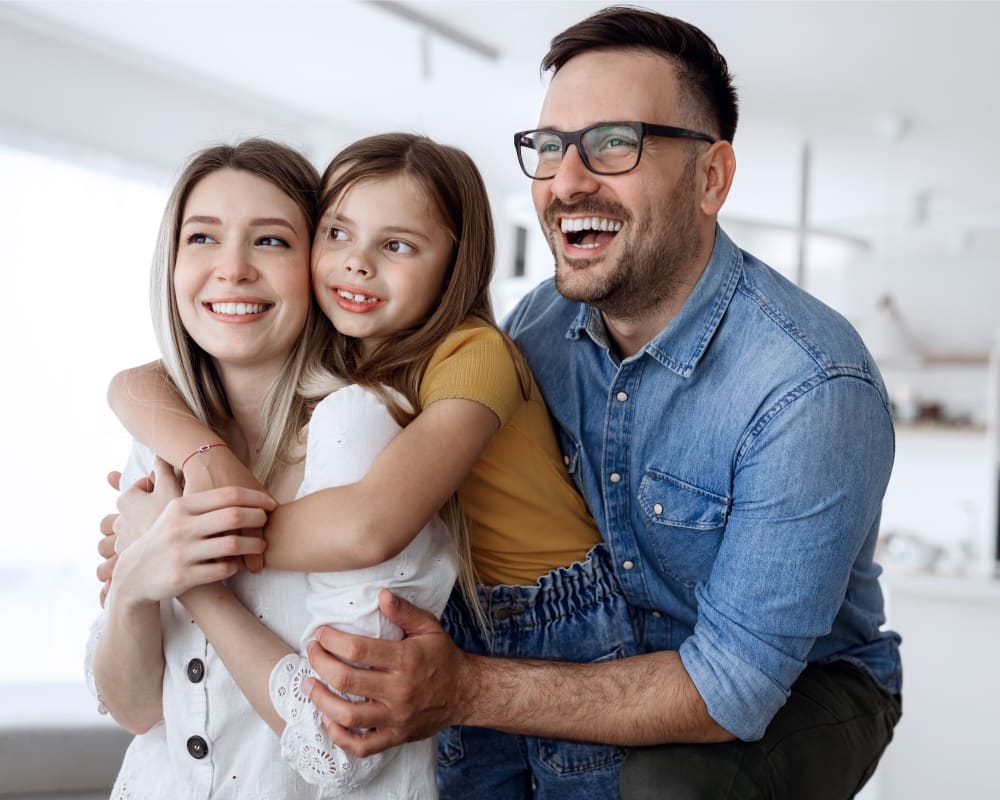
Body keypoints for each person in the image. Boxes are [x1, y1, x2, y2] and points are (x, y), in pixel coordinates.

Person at [297, 8, 903, 799]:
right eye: (550, 147)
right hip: (589, 651)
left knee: (666, 783)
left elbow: (731, 689)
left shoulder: (810, 386)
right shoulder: (538, 327)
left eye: (615, 143)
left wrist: (464, 687)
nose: (567, 181)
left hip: (801, 683)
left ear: (711, 179)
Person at [99, 132, 638, 796]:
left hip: (559, 617)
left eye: (398, 245)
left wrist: (186, 543)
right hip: (471, 622)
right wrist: (160, 538)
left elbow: (370, 526)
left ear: (455, 266)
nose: (357, 265)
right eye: (339, 234)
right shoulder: (337, 366)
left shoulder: (452, 366)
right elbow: (136, 382)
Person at [86, 138, 462, 799]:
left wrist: (189, 576)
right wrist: (138, 583)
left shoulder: (359, 432)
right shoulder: (166, 440)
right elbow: (138, 711)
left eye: (270, 241)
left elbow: (341, 747)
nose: (232, 269)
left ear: (317, 264)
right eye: (202, 237)